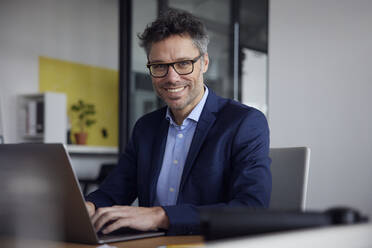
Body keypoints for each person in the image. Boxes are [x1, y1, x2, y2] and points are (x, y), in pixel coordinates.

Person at [85, 8, 271, 235]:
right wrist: (88, 207)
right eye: (159, 66)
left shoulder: (244, 123)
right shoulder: (146, 128)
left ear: (204, 63)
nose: (171, 77)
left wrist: (160, 216)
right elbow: (114, 191)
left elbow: (251, 208)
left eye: (183, 63)